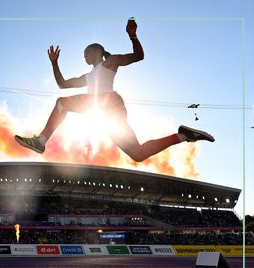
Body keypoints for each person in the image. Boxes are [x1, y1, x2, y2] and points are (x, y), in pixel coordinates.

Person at [14, 18, 214, 162]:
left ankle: (41, 141)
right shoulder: (87, 77)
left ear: (98, 51)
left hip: (107, 101)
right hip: (107, 113)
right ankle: (184, 136)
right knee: (138, 154)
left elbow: (138, 56)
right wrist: (54, 63)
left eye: (87, 52)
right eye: (83, 54)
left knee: (62, 103)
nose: (84, 56)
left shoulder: (110, 62)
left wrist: (133, 35)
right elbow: (63, 84)